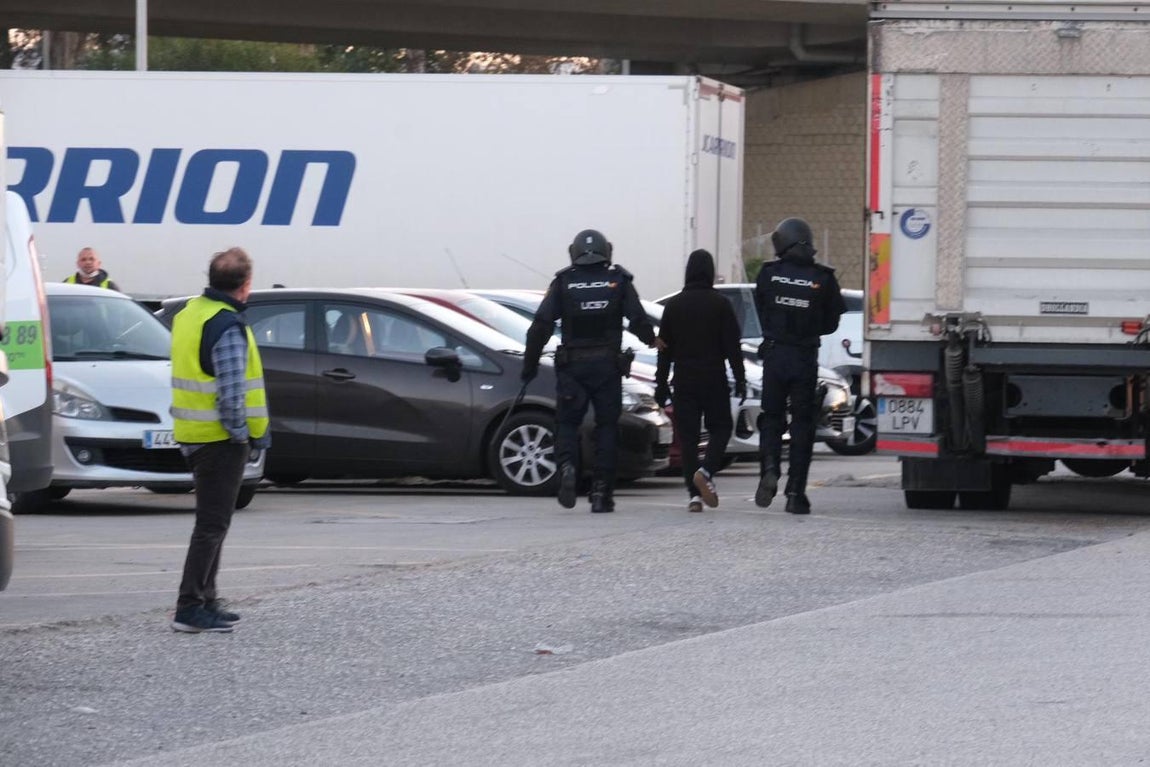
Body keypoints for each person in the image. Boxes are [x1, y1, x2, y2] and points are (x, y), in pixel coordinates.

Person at [169, 247, 270, 633]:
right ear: (246, 285)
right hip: (219, 440)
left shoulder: (190, 313)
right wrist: (243, 436)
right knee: (211, 526)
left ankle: (207, 598)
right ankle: (190, 606)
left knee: (215, 524)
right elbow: (231, 396)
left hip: (193, 435)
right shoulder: (227, 325)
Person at [523, 229, 656, 513]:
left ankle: (568, 468)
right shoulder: (618, 280)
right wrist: (653, 340)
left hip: (573, 368)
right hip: (607, 367)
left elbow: (540, 326)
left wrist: (529, 365)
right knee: (607, 427)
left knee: (567, 424)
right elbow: (638, 319)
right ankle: (601, 493)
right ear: (607, 251)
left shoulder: (564, 282)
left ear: (574, 252)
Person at [753, 217, 845, 515]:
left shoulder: (769, 273)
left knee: (771, 418)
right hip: (804, 357)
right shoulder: (824, 278)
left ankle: (769, 468)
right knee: (803, 424)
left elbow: (761, 311)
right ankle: (796, 493)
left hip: (775, 357)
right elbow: (832, 323)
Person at [654, 249, 746, 513]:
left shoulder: (673, 306)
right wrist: (739, 378)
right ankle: (706, 473)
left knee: (689, 438)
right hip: (713, 377)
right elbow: (733, 347)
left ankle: (694, 497)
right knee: (721, 428)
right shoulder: (720, 304)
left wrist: (661, 384)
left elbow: (664, 351)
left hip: (683, 380)